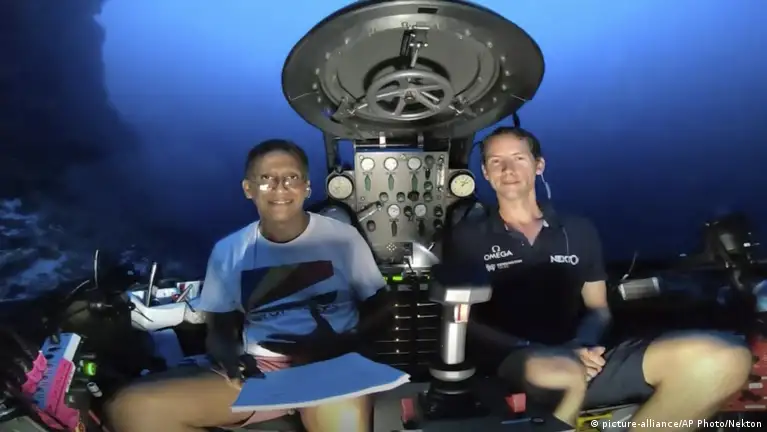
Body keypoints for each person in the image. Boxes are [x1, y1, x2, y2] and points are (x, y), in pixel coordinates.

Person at [444, 127, 752, 430]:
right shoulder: (468, 237)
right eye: (496, 161)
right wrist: (532, 348)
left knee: (726, 357)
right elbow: (464, 320)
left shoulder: (579, 230)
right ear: (485, 172)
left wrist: (582, 345)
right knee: (565, 373)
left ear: (539, 165)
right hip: (517, 361)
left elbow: (598, 309)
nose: (508, 169)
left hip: (586, 356)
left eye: (518, 158)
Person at [106, 139, 392, 432]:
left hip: (332, 363)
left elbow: (383, 309)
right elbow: (219, 325)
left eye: (291, 177)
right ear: (248, 188)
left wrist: (343, 344)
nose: (280, 187)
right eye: (266, 179)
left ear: (306, 187)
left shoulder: (343, 239)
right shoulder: (229, 250)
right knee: (131, 408)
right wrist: (228, 356)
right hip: (261, 369)